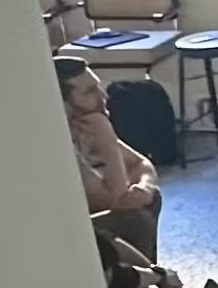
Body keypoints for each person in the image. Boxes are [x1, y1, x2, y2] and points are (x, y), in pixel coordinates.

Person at [58, 57, 164, 262]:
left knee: (151, 197)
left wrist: (144, 188)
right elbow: (114, 200)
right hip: (66, 229)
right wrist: (107, 139)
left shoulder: (85, 124)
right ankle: (148, 283)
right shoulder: (60, 142)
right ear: (64, 103)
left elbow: (141, 163)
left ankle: (149, 279)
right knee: (133, 219)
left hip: (90, 217)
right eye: (90, 92)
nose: (103, 96)